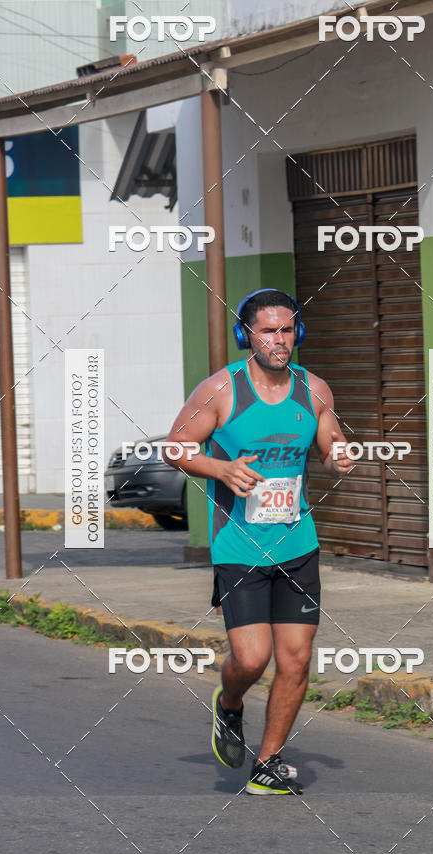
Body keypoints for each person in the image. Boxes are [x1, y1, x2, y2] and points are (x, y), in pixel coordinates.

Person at [166, 288, 351, 795]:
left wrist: (339, 457)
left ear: (298, 333)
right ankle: (229, 705)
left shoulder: (312, 389)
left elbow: (331, 442)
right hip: (240, 548)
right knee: (251, 659)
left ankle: (268, 762)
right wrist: (219, 467)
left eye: (287, 329)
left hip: (297, 544)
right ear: (246, 334)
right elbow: (176, 447)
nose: (279, 340)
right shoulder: (221, 391)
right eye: (268, 330)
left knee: (294, 659)